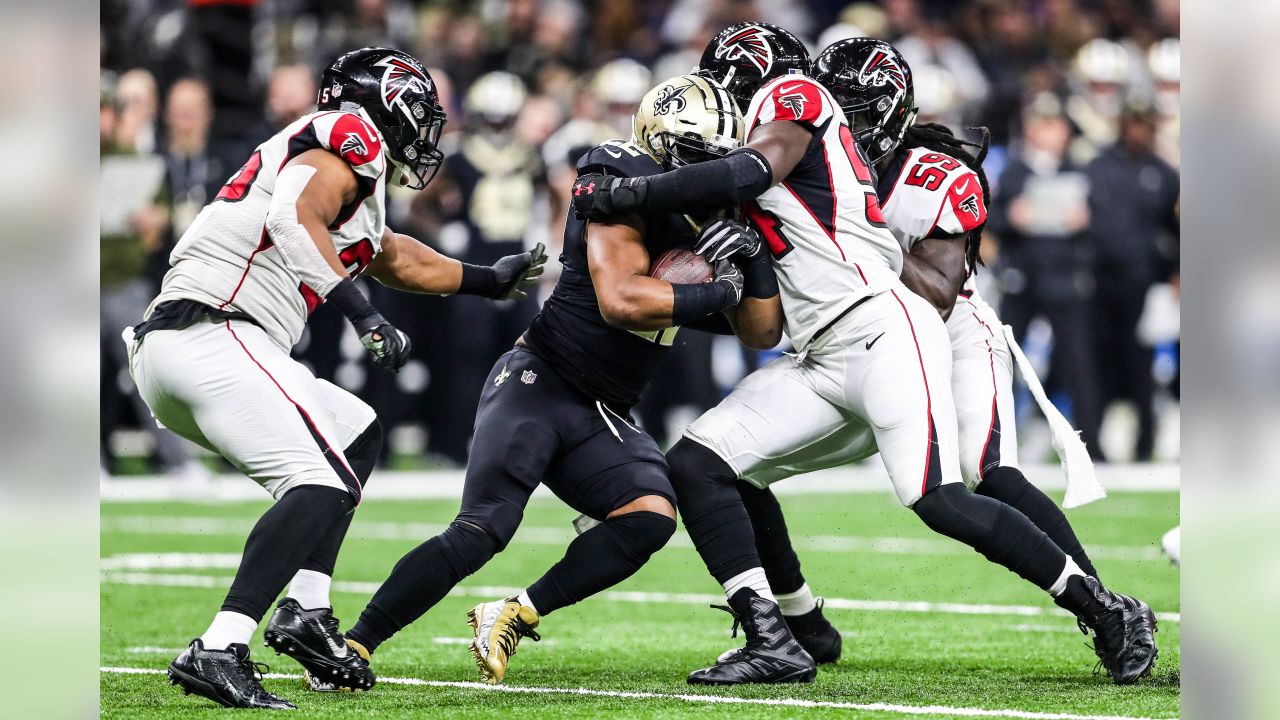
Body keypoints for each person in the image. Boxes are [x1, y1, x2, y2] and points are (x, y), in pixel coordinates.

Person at [570, 23, 1156, 687]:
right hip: (819, 353)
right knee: (700, 462)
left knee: (938, 496)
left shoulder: (792, 99)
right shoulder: (756, 157)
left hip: (883, 327)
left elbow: (755, 167)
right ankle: (784, 632)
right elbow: (761, 330)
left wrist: (629, 192)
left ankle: (1104, 609)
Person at [327, 74, 782, 688]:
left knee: (648, 515)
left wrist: (751, 265)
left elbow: (759, 333)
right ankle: (353, 644)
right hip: (542, 380)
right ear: (658, 140)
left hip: (605, 407)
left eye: (719, 156)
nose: (708, 170)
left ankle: (514, 612)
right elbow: (621, 300)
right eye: (696, 153)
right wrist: (718, 289)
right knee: (484, 529)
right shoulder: (622, 176)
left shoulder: (713, 209)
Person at [126, 47, 544, 709]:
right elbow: (292, 219)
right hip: (212, 327)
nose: (425, 127)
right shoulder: (350, 133)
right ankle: (220, 643)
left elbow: (390, 256)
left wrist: (486, 281)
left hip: (204, 343)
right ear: (388, 99)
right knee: (319, 480)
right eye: (420, 111)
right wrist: (363, 316)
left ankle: (308, 611)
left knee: (357, 432)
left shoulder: (354, 174)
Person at [988, 93, 1105, 457]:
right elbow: (988, 219)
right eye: (1040, 123)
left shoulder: (1080, 170)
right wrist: (1012, 218)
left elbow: (1107, 224)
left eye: (1054, 124)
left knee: (1078, 364)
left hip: (1066, 277)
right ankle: (998, 443)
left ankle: (1090, 443)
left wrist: (1085, 222)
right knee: (1005, 364)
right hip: (1022, 277)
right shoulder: (1013, 171)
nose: (1047, 132)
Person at [1085, 103, 1180, 461]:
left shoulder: (1164, 173)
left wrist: (1177, 273)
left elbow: (1178, 230)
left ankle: (1146, 441)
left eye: (1144, 125)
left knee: (1143, 366)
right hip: (1099, 282)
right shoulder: (1098, 167)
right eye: (1133, 124)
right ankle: (1095, 442)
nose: (1138, 132)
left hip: (1145, 283)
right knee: (1100, 363)